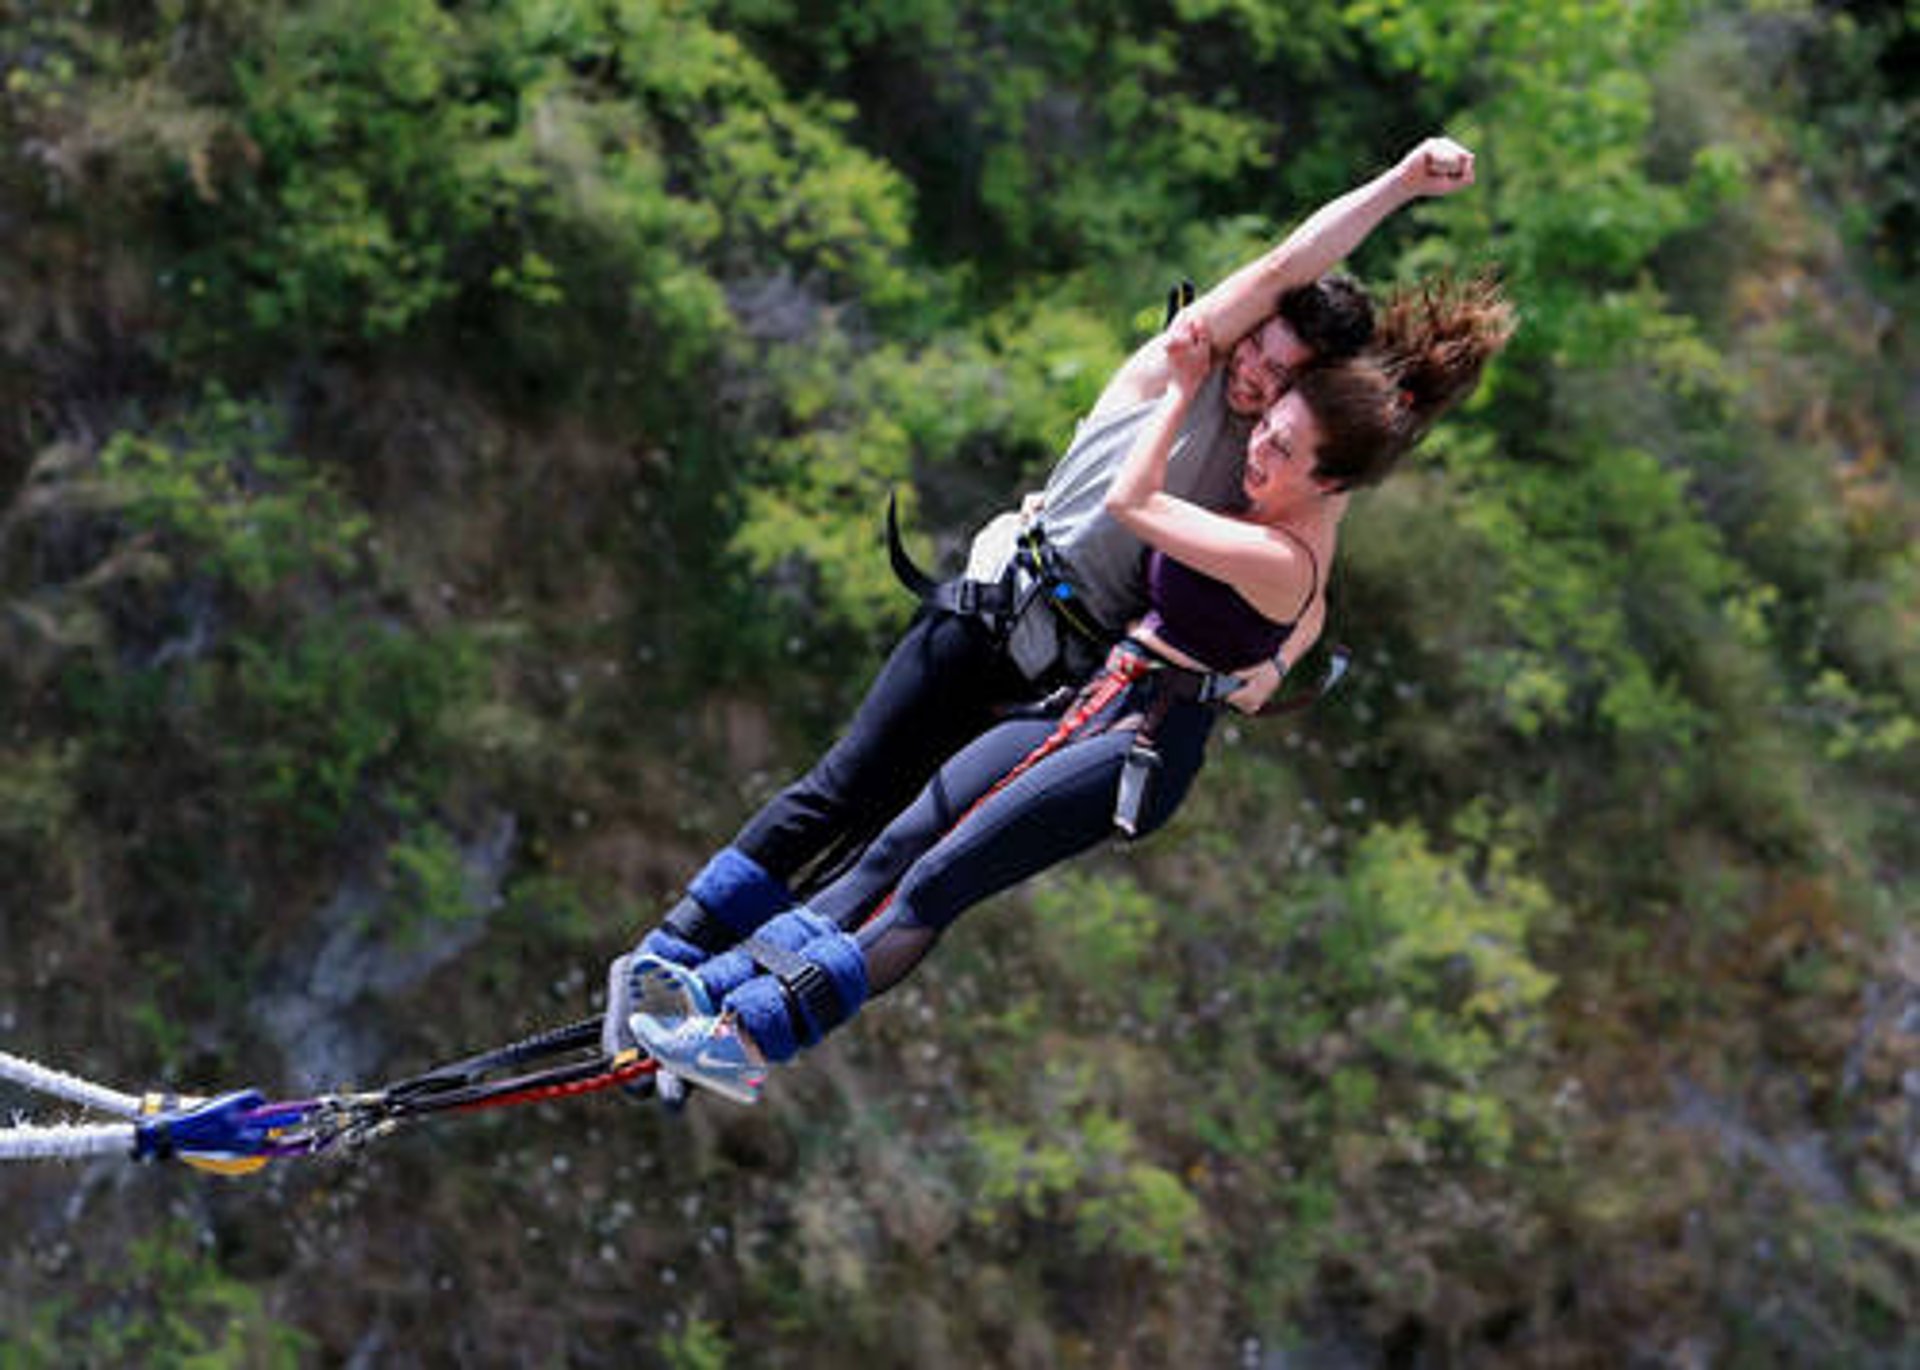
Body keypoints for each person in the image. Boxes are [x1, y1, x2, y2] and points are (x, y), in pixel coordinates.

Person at [603, 139, 1485, 1039]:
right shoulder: (1177, 368)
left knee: (906, 852)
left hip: (1061, 683)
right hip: (990, 617)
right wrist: (1403, 184)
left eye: (1280, 370)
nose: (1255, 372)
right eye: (1256, 345)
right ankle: (671, 953)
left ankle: (720, 1006)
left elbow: (1305, 586)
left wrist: (1271, 667)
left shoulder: (1270, 471)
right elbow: (1286, 261)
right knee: (844, 793)